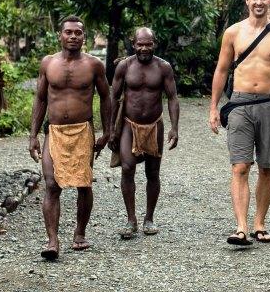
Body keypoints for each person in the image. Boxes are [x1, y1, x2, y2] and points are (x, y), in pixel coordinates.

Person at [209, 0, 270, 246]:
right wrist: (214, 107)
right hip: (239, 104)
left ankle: (259, 223)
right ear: (247, 1)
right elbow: (221, 70)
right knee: (240, 166)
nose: (259, 2)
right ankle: (240, 227)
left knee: (266, 165)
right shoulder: (233, 32)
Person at [28, 15, 111, 260]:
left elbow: (106, 97)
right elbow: (41, 98)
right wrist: (32, 135)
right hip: (53, 131)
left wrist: (108, 132)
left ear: (84, 37)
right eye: (69, 32)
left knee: (84, 184)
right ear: (60, 35)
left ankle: (80, 233)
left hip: (83, 131)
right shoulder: (48, 63)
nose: (73, 36)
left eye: (78, 33)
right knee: (52, 185)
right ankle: (52, 241)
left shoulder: (94, 65)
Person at [108, 27, 179, 239]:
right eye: (140, 44)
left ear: (154, 43)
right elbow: (114, 97)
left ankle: (149, 218)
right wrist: (111, 129)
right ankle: (131, 220)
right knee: (127, 167)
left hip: (154, 124)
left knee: (152, 173)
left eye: (148, 44)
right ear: (133, 44)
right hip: (130, 124)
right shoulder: (124, 66)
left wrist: (175, 127)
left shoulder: (163, 67)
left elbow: (173, 98)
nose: (144, 48)